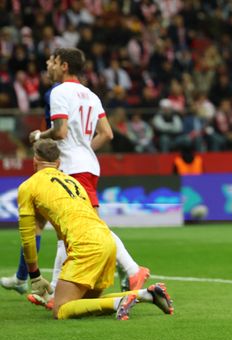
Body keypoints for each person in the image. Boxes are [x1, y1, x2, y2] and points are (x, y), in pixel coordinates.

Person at [1, 48, 150, 307]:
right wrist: (84, 150)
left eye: (54, 62)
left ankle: (132, 268)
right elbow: (107, 134)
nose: (50, 65)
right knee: (66, 229)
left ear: (65, 66)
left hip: (71, 167)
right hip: (87, 164)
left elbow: (59, 131)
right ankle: (56, 291)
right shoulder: (91, 95)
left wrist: (38, 136)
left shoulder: (60, 92)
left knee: (84, 226)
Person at [18, 139, 173, 320]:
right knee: (82, 303)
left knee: (60, 310)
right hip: (107, 240)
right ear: (59, 163)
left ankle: (119, 303)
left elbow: (28, 238)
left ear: (34, 161)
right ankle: (146, 294)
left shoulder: (28, 186)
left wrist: (35, 277)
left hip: (86, 246)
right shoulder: (74, 183)